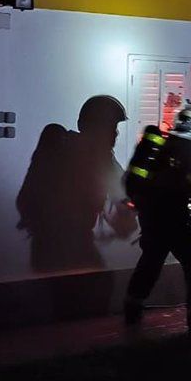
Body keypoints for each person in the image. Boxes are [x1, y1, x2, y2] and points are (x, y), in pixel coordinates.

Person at [122, 100, 191, 333]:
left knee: (149, 264)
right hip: (172, 220)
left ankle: (131, 313)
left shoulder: (163, 146)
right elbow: (188, 185)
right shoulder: (183, 148)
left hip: (151, 219)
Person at [16, 96, 129, 273]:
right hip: (62, 246)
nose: (115, 134)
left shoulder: (98, 156)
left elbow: (124, 194)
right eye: (111, 127)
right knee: (97, 286)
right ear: (95, 127)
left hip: (60, 244)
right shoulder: (90, 155)